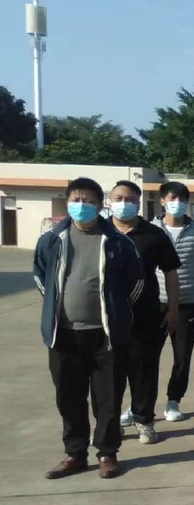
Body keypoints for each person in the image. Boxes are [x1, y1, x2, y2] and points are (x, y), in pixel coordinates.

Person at [33, 177, 144, 480]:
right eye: (76, 200)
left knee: (107, 398)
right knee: (68, 397)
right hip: (63, 334)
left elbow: (136, 282)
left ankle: (107, 453)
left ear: (100, 205)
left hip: (106, 336)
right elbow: (40, 276)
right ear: (68, 202)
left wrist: (117, 313)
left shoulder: (118, 242)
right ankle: (75, 454)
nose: (82, 206)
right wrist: (56, 306)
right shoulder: (52, 240)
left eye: (89, 201)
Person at [110, 180, 181, 445]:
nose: (124, 203)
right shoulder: (100, 232)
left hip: (146, 315)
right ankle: (110, 424)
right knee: (109, 376)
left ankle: (144, 420)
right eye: (119, 198)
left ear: (139, 203)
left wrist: (173, 309)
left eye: (130, 199)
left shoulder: (153, 234)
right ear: (109, 201)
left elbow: (171, 272)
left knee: (144, 373)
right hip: (107, 318)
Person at [153, 181, 194, 423]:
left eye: (181, 199)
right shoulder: (151, 230)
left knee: (182, 356)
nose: (176, 203)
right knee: (147, 356)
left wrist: (190, 284)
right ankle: (140, 404)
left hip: (187, 303)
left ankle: (173, 400)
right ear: (162, 201)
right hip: (154, 302)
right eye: (172, 198)